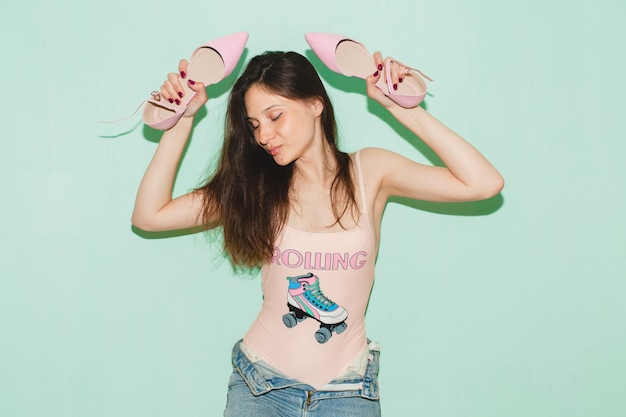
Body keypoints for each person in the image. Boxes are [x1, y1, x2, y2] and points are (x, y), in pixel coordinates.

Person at [131, 49, 504, 416]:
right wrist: (180, 120)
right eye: (255, 124)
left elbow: (484, 184)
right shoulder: (256, 188)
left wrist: (401, 108)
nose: (264, 135)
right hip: (260, 389)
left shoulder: (370, 172)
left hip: (348, 393)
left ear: (315, 104)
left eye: (275, 116)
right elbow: (149, 216)